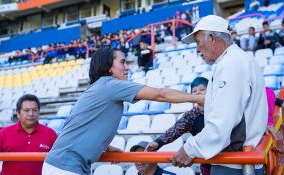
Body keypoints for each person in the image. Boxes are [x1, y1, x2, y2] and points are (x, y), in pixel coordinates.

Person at [42, 47, 204, 175]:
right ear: (108, 67)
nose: (127, 67)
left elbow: (81, 126)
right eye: (122, 62)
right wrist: (199, 98)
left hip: (67, 165)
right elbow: (159, 94)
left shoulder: (101, 87)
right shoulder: (110, 84)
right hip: (65, 167)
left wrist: (104, 147)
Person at [176, 15, 267, 174]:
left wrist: (189, 149)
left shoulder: (231, 63)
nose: (197, 49)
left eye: (198, 42)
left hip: (235, 164)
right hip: (243, 161)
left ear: (211, 38)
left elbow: (221, 124)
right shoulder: (240, 59)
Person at [146, 77, 210, 175]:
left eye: (202, 90)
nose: (198, 93)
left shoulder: (219, 109)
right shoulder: (191, 115)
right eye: (194, 91)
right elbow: (175, 130)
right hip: (207, 163)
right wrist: (157, 142)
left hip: (228, 157)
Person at [0, 94, 57, 175]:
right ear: (18, 113)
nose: (31, 114)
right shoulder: (4, 133)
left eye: (35, 110)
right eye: (26, 110)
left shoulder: (50, 134)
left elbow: (58, 162)